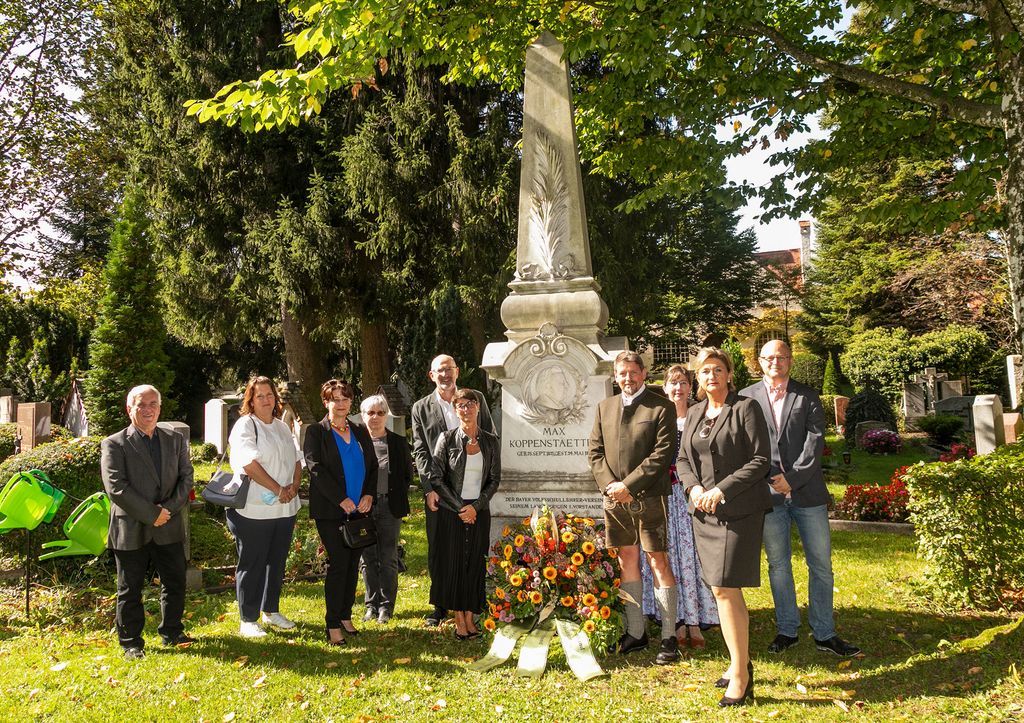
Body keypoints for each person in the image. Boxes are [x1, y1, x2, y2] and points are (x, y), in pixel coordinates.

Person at [740, 339, 861, 657]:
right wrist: (770, 479)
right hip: (767, 495)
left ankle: (824, 632)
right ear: (759, 361)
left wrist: (791, 480)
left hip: (808, 493)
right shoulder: (746, 397)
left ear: (790, 360)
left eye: (781, 357)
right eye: (768, 357)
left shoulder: (807, 397)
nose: (774, 362)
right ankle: (787, 630)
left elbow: (815, 442)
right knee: (778, 565)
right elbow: (745, 445)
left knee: (821, 564)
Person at [678, 347, 772, 707]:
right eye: (705, 371)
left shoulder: (746, 408)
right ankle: (739, 661)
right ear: (697, 378)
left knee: (724, 588)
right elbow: (684, 457)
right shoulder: (696, 411)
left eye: (718, 370)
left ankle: (742, 676)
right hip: (704, 512)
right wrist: (696, 487)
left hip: (738, 512)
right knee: (722, 591)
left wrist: (720, 489)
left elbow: (760, 459)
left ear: (730, 375)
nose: (711, 376)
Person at [589, 351, 681, 665]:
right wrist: (611, 486)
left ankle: (669, 637)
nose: (627, 379)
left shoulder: (662, 407)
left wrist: (629, 486)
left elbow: (661, 455)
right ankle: (637, 631)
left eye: (633, 372)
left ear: (643, 373)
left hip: (649, 497)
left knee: (658, 562)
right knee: (627, 559)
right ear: (615, 376)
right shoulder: (605, 407)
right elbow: (595, 452)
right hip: (613, 499)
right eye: (622, 373)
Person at [101, 384, 194, 660]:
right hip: (131, 525)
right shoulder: (114, 443)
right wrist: (152, 514)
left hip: (170, 522)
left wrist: (166, 510)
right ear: (130, 408)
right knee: (129, 588)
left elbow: (186, 478)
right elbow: (116, 487)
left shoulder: (174, 439)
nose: (148, 409)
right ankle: (131, 642)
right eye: (142, 404)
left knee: (175, 581)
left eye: (153, 404)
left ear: (160, 408)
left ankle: (172, 631)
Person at [411, 354, 494, 627]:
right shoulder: (421, 408)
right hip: (440, 489)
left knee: (472, 548)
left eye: (449, 369)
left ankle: (473, 602)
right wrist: (429, 488)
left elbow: (489, 437)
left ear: (457, 372)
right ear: (431, 375)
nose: (445, 375)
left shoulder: (473, 397)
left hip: (472, 489)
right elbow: (421, 451)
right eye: (439, 371)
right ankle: (440, 605)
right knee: (439, 547)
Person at [639, 365, 719, 648]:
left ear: (690, 386)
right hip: (663, 495)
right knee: (668, 555)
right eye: (672, 383)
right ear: (664, 388)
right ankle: (677, 620)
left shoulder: (701, 415)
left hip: (694, 494)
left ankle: (696, 620)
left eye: (683, 383)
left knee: (694, 556)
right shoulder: (657, 415)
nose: (678, 389)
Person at [225, 376, 302, 638]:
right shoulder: (246, 426)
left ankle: (271, 610)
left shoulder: (282, 427)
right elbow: (249, 464)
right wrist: (277, 489)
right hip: (253, 510)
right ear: (251, 400)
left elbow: (297, 460)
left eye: (270, 394)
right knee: (252, 562)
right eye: (260, 396)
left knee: (276, 562)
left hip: (284, 509)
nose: (266, 400)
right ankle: (248, 618)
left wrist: (293, 487)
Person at [303, 379, 378, 645]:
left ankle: (345, 615)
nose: (342, 403)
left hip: (360, 510)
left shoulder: (359, 429)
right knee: (338, 564)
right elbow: (315, 468)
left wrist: (369, 494)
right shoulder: (316, 432)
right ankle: (332, 624)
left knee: (351, 565)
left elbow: (372, 465)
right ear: (326, 402)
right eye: (336, 398)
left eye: (346, 398)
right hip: (331, 511)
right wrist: (341, 499)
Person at [426, 388, 499, 639]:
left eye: (470, 404)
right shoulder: (446, 439)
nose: (466, 409)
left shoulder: (490, 440)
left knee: (475, 563)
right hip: (452, 511)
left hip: (478, 511)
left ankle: (471, 616)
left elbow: (494, 479)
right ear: (455, 411)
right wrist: (460, 508)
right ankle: (458, 619)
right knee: (455, 563)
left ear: (478, 407)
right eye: (460, 406)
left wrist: (475, 507)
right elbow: (436, 477)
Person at [359, 394, 413, 625]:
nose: (375, 417)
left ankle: (386, 607)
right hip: (363, 508)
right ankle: (370, 605)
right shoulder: (356, 443)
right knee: (368, 557)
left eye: (380, 412)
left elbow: (406, 475)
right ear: (363, 416)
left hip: (390, 507)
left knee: (388, 556)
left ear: (386, 416)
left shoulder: (399, 443)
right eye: (370, 413)